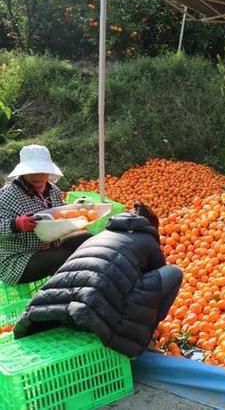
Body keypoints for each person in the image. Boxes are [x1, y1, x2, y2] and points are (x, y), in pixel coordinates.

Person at [14, 202, 183, 358]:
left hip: (55, 314)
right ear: (151, 226)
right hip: (95, 317)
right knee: (173, 273)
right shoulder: (147, 240)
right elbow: (154, 285)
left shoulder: (100, 235)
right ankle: (148, 335)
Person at [0, 145, 91, 286]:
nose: (37, 176)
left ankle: (91, 278)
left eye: (42, 171)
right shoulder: (9, 195)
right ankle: (65, 293)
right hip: (18, 260)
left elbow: (61, 213)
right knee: (61, 257)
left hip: (50, 246)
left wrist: (78, 210)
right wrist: (16, 225)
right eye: (32, 171)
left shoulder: (53, 190)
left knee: (86, 239)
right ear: (23, 172)